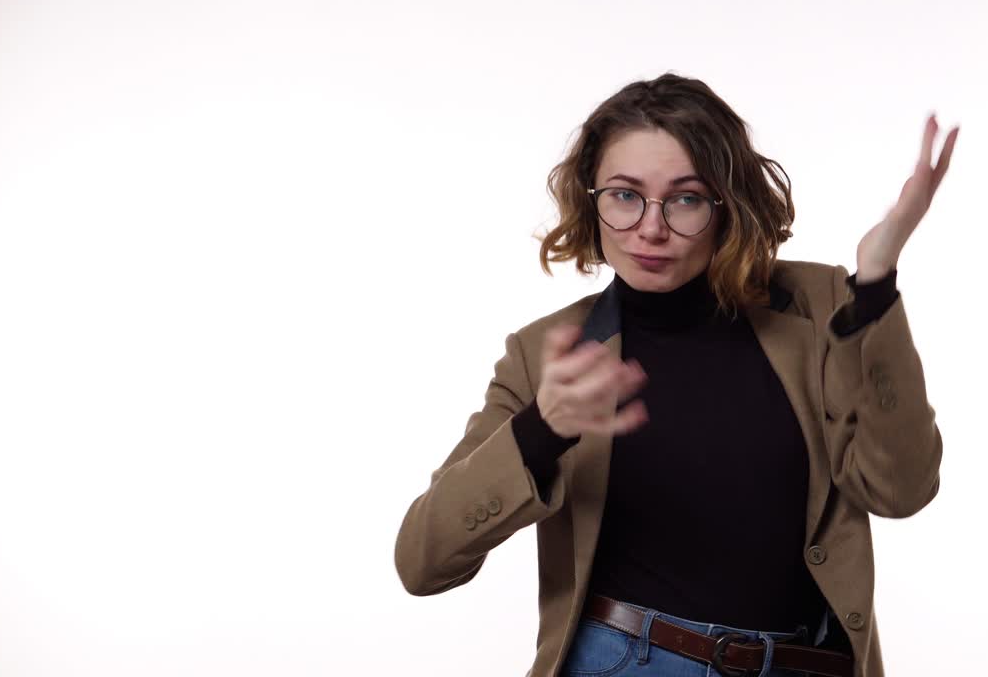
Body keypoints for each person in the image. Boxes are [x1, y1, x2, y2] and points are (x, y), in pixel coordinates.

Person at [394, 73, 956, 677]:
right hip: (627, 660)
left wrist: (873, 288)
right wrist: (541, 431)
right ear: (592, 200)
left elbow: (901, 492)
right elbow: (423, 562)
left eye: (685, 198)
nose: (652, 227)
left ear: (727, 205)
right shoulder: (545, 356)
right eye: (624, 194)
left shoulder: (818, 308)